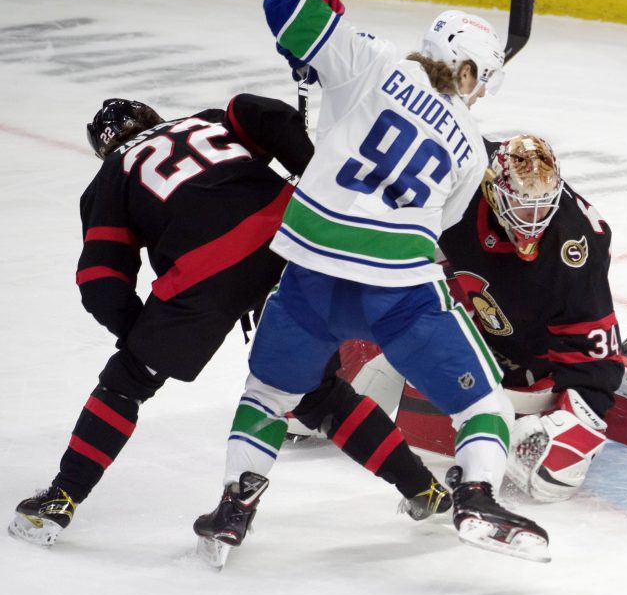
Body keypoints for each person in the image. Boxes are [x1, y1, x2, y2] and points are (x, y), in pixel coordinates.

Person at [193, 0, 550, 563]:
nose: (480, 93)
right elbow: (443, 223)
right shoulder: (475, 152)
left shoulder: (371, 62)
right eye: (480, 80)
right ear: (463, 70)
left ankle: (235, 508)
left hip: (312, 269)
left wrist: (326, 24)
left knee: (267, 394)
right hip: (399, 286)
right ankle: (477, 495)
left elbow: (284, 6)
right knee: (485, 404)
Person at [8, 94, 450, 548]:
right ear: (154, 118)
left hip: (203, 272)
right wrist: (308, 168)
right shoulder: (206, 123)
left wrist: (144, 339)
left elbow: (100, 279)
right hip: (296, 243)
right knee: (316, 393)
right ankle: (424, 488)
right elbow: (266, 114)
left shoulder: (111, 176)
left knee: (125, 383)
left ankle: (61, 498)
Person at [334, 134, 627, 502]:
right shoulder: (461, 174)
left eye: (543, 208)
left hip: (528, 334)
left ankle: (615, 378)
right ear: (494, 191)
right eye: (523, 208)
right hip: (468, 288)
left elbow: (587, 348)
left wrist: (583, 410)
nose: (533, 221)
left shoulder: (573, 249)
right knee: (362, 364)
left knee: (548, 476)